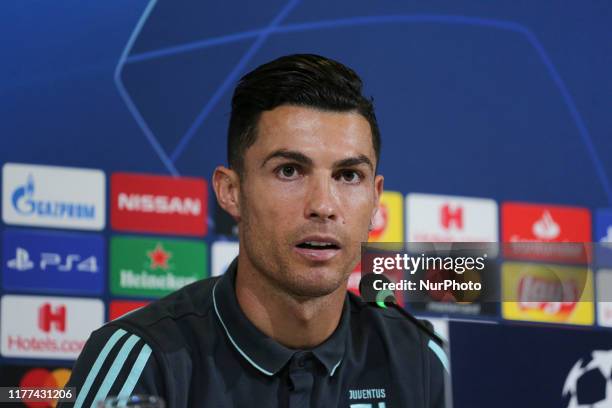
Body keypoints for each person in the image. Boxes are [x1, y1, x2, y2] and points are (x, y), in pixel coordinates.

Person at [60, 54, 447, 408]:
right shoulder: (143, 360)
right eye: (289, 171)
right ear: (232, 192)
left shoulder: (421, 359)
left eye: (348, 175)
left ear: (376, 197)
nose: (324, 205)